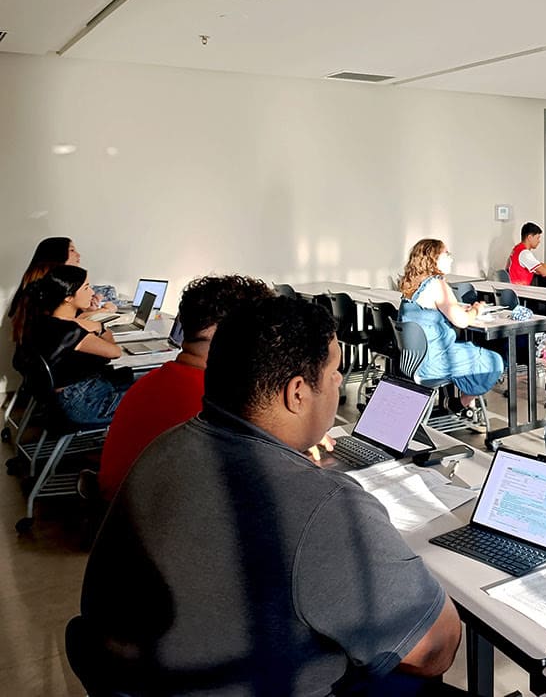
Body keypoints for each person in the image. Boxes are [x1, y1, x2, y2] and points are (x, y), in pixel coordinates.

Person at [75, 297, 461, 696]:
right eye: (335, 372)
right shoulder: (323, 506)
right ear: (297, 393)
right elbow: (435, 650)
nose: (338, 382)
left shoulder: (162, 450)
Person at [95, 274, 277, 501]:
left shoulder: (149, 382)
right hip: (154, 527)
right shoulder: (214, 405)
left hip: (117, 519)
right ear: (222, 334)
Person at [399, 239, 503, 420]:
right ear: (433, 258)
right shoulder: (437, 285)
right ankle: (459, 403)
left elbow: (436, 313)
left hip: (412, 361)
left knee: (468, 349)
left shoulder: (411, 287)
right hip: (434, 362)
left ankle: (457, 401)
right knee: (493, 360)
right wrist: (477, 309)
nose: (451, 259)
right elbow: (462, 322)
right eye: (447, 254)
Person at [16, 265, 129, 425]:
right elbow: (115, 352)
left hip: (57, 400)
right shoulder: (69, 331)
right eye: (86, 288)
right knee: (151, 398)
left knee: (135, 380)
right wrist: (102, 327)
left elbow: (76, 321)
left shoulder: (43, 322)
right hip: (83, 403)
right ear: (68, 297)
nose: (91, 292)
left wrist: (90, 316)